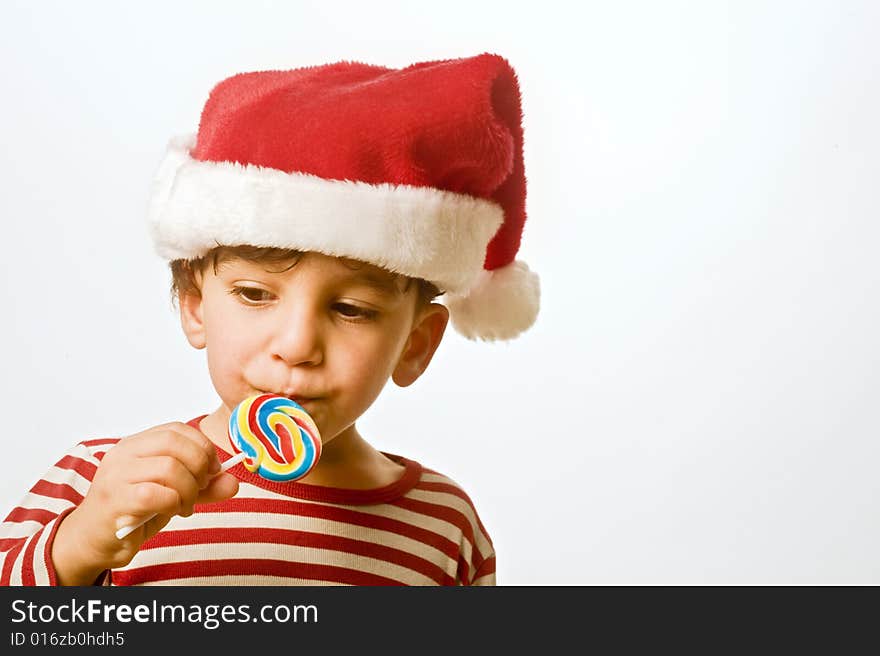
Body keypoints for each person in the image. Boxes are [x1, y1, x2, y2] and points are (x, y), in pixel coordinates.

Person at [0, 53, 539, 586]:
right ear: (194, 305)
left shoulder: (444, 528)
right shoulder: (104, 482)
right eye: (255, 294)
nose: (297, 344)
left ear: (415, 345)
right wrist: (77, 546)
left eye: (351, 309)